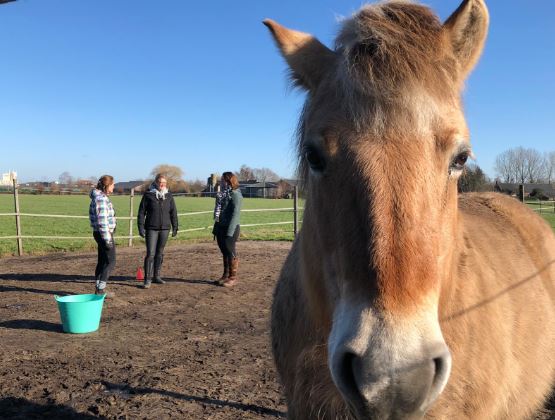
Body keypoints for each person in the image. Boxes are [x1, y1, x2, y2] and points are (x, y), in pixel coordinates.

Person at [137, 174, 178, 289]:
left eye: (164, 183)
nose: (162, 184)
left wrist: (175, 226)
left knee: (160, 253)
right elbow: (141, 212)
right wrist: (140, 227)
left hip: (165, 228)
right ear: (155, 182)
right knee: (150, 253)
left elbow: (173, 212)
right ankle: (147, 279)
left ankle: (157, 276)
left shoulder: (169, 195)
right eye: (160, 182)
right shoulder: (148, 195)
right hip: (151, 228)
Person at [89, 175, 117, 296]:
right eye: (113, 185)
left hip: (99, 233)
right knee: (110, 261)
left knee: (102, 261)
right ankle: (100, 290)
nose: (114, 187)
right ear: (107, 185)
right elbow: (102, 220)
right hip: (103, 234)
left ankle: (98, 288)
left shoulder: (100, 197)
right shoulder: (101, 199)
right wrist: (108, 239)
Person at [213, 172, 243, 287]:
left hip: (231, 228)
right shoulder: (222, 194)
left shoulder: (236, 194)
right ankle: (225, 275)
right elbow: (219, 212)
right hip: (220, 226)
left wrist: (230, 232)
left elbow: (235, 214)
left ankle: (232, 277)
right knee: (224, 252)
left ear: (228, 181)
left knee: (230, 251)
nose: (221, 182)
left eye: (222, 180)